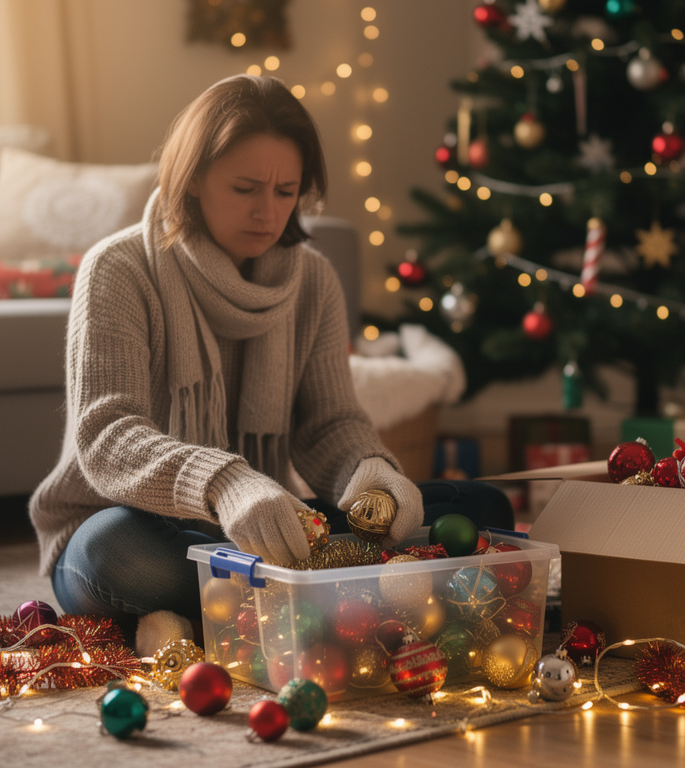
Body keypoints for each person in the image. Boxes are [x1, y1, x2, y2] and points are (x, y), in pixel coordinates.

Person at [29, 74, 514, 654]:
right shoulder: (119, 268)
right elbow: (108, 437)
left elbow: (328, 423)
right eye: (245, 187)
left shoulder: (314, 281)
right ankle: (352, 595)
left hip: (261, 531)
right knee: (119, 554)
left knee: (483, 508)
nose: (268, 212)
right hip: (126, 523)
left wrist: (370, 474)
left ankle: (266, 601)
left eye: (287, 191)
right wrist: (225, 482)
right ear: (193, 178)